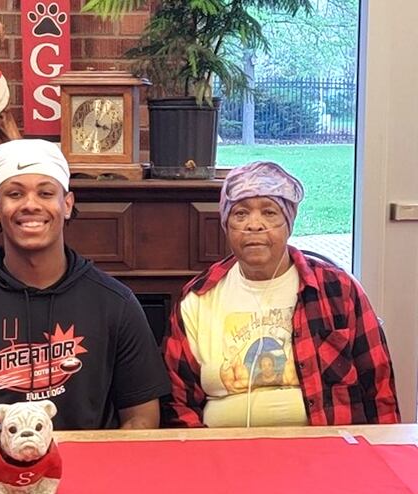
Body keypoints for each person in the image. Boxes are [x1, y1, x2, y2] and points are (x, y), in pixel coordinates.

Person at [0, 138, 170, 431]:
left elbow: (142, 417)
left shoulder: (116, 303)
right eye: (15, 193)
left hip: (89, 469)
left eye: (46, 193)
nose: (30, 205)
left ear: (67, 204)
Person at [163, 160, 400, 427]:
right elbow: (178, 403)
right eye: (240, 214)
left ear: (289, 223)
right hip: (222, 455)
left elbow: (379, 388)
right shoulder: (197, 298)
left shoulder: (340, 290)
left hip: (325, 455)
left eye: (269, 212)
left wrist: (382, 453)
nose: (255, 225)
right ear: (226, 225)